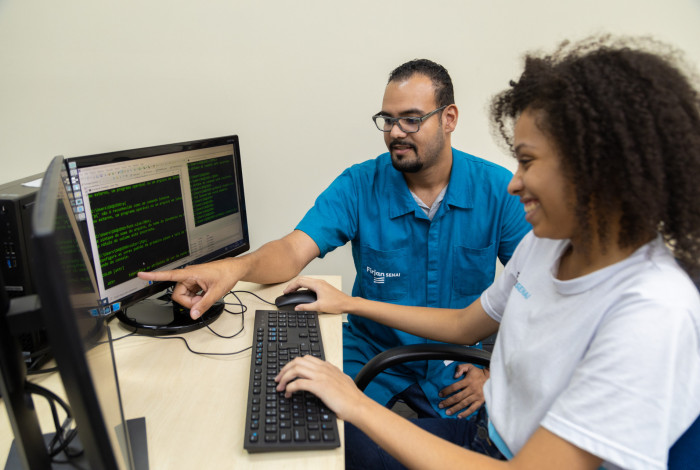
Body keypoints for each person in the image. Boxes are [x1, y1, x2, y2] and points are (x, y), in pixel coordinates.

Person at [274, 35, 700, 469]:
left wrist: (355, 404)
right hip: (486, 436)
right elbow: (463, 324)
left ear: (598, 169)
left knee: (330, 436)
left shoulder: (652, 312)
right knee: (310, 437)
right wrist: (349, 304)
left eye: (528, 162)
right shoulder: (549, 245)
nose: (513, 183)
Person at [139, 59, 530, 419]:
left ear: (449, 118)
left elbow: (536, 293)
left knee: (452, 449)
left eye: (411, 120)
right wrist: (234, 268)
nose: (395, 132)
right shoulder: (359, 184)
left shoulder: (500, 191)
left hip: (453, 361)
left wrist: (497, 371)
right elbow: (293, 249)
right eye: (388, 120)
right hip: (372, 351)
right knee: (308, 421)